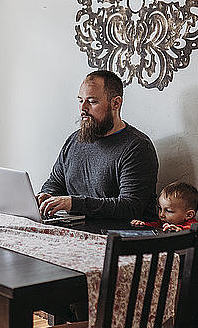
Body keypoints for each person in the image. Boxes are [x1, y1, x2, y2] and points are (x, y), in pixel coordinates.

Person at [38, 70, 158, 219]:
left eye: (92, 101)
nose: (83, 108)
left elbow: (129, 207)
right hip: (76, 230)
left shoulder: (137, 147)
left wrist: (74, 203)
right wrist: (46, 196)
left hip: (120, 236)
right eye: (80, 100)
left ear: (115, 103)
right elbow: (56, 182)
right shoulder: (74, 140)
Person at [131, 181, 198, 285]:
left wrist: (178, 231)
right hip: (178, 273)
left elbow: (191, 236)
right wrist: (144, 224)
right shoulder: (164, 222)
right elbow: (156, 225)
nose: (161, 214)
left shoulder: (193, 227)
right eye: (160, 209)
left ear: (189, 215)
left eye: (169, 211)